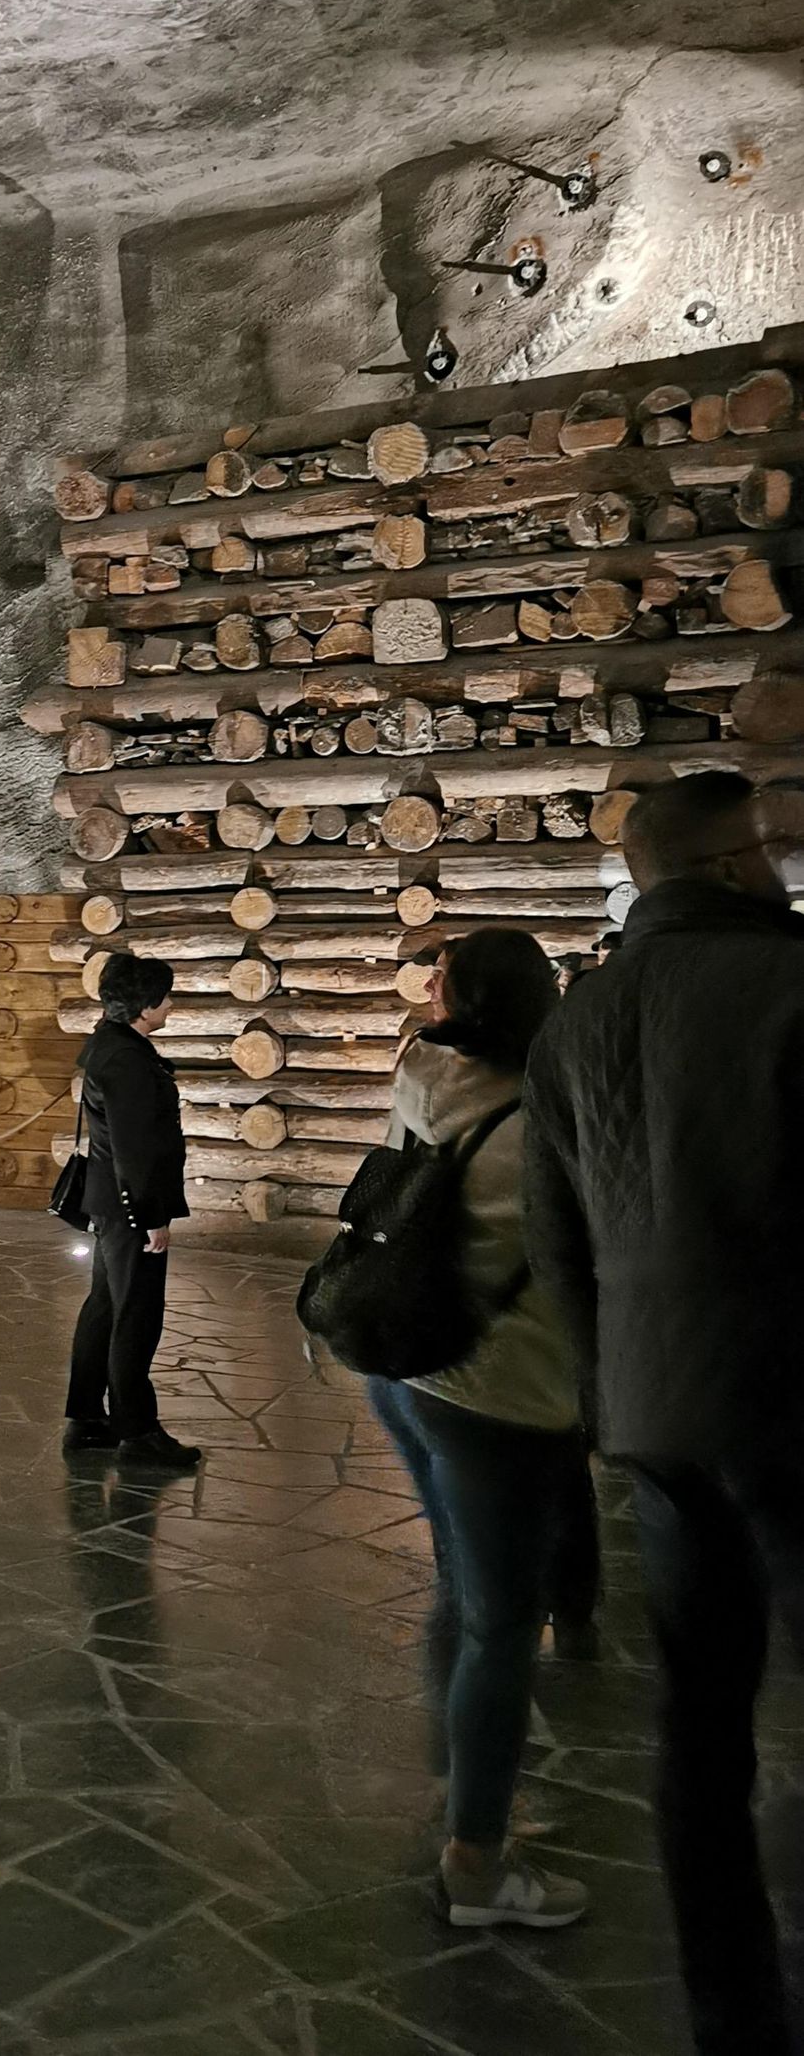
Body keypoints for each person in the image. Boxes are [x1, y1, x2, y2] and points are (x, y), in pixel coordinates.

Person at [525, 770, 804, 2056]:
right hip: (788, 1401)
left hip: (656, 1412)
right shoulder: (785, 987)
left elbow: (555, 1239)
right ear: (737, 861)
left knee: (697, 1726)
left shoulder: (576, 1024)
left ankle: (729, 2014)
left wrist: (603, 1393)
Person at [366, 928, 591, 1930]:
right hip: (506, 1387)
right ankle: (475, 1864)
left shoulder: (422, 1073)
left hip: (411, 1363)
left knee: (464, 1575)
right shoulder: (554, 1116)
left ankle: (467, 1739)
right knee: (505, 1623)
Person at [63, 952, 201, 1472]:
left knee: (104, 1305)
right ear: (144, 1006)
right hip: (128, 1209)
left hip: (110, 1204)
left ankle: (86, 1417)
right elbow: (136, 1150)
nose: (170, 1004)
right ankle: (137, 1430)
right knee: (135, 1316)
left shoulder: (109, 1044)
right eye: (164, 996)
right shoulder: (127, 1060)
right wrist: (152, 1217)